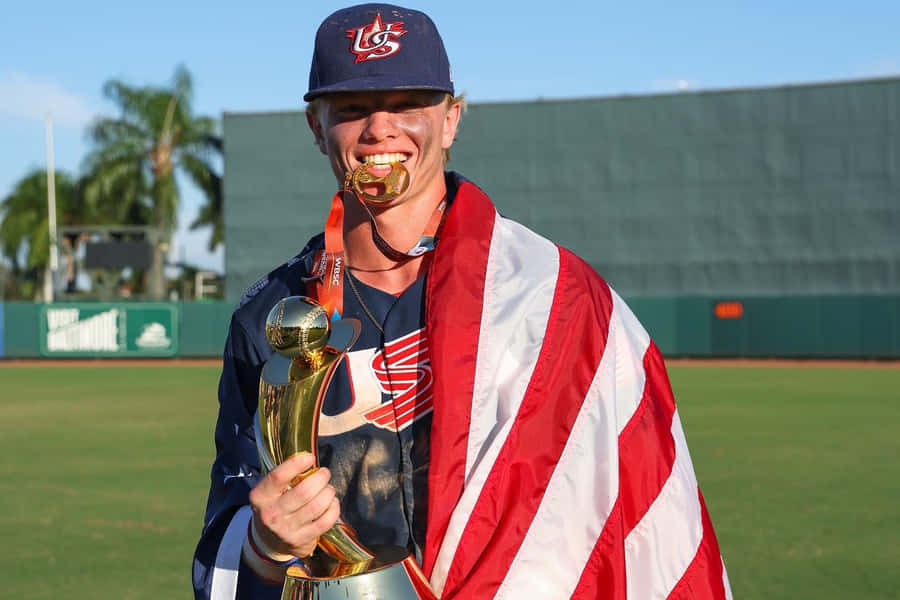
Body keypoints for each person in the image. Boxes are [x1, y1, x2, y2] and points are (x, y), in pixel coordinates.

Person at [193, 4, 733, 599]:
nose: (380, 130)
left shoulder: (554, 297)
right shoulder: (272, 315)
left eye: (407, 106)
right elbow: (223, 532)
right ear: (316, 128)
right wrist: (264, 549)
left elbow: (638, 510)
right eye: (351, 110)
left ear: (450, 121)